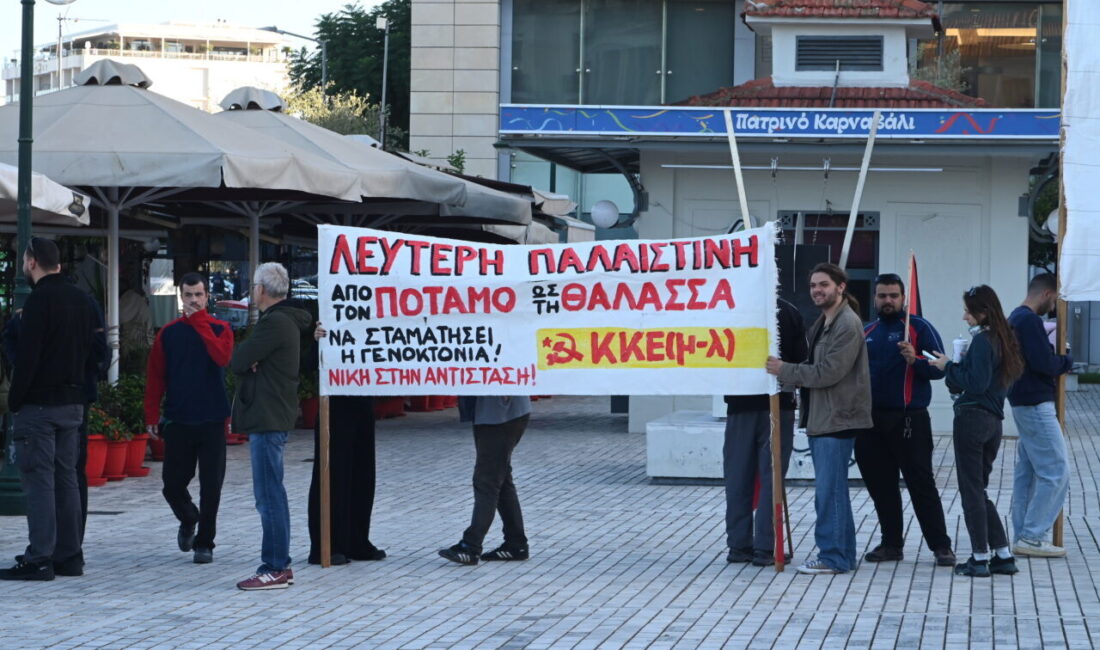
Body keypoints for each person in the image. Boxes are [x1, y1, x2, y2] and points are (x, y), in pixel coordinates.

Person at [1, 237, 96, 581]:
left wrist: (15, 400)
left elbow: (28, 358)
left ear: (31, 263)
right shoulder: (82, 299)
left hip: (39, 405)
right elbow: (95, 353)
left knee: (39, 481)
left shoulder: (38, 301)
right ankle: (69, 555)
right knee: (67, 479)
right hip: (73, 403)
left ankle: (39, 557)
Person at [767, 263, 872, 575]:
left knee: (830, 493)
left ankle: (835, 556)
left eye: (823, 285)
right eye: (813, 285)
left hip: (837, 419)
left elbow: (828, 372)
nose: (817, 290)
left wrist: (783, 370)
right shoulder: (826, 322)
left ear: (840, 287)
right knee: (832, 491)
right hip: (825, 418)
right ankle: (840, 554)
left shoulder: (846, 324)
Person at [857, 274, 955, 567]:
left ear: (904, 299)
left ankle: (941, 546)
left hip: (909, 420)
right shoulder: (866, 331)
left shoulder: (919, 328)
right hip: (870, 421)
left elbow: (941, 368)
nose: (888, 301)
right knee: (881, 486)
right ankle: (891, 544)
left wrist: (916, 360)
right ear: (874, 298)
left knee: (921, 484)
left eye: (893, 296)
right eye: (882, 296)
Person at [929, 285, 1025, 578]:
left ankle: (979, 558)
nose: (964, 317)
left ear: (983, 312)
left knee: (971, 492)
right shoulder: (1004, 339)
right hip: (993, 422)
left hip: (972, 419)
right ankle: (1003, 554)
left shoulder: (984, 341)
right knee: (978, 490)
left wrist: (947, 366)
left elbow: (976, 382)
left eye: (969, 312)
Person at [230, 262, 313, 590]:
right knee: (271, 491)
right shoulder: (283, 321)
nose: (253, 292)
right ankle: (279, 564)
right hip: (273, 413)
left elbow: (237, 360)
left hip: (267, 415)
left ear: (261, 290)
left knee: (269, 494)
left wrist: (250, 362)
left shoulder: (274, 323)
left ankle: (275, 566)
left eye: (253, 286)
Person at [144, 272, 234, 564]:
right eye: (188, 295)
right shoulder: (168, 333)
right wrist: (151, 414)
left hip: (212, 418)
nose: (194, 300)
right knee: (172, 483)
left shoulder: (221, 328)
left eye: (198, 295)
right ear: (180, 297)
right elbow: (156, 376)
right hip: (179, 418)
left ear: (207, 296)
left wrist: (199, 322)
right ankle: (188, 517)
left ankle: (205, 543)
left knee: (212, 486)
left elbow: (221, 357)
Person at [724, 297, 807, 567]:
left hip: (755, 404)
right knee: (767, 478)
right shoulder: (786, 310)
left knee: (742, 476)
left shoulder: (732, 308)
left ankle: (744, 546)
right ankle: (761, 546)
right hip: (767, 404)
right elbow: (800, 359)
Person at [306, 322, 385, 566]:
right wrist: (316, 341)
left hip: (362, 400)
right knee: (332, 474)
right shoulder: (328, 317)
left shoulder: (373, 318)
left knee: (362, 474)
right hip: (334, 405)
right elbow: (309, 365)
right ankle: (328, 544)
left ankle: (357, 540)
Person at [1008, 273, 1073, 558]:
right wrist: (1066, 360)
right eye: (1056, 298)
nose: (1055, 304)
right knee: (1057, 472)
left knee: (1029, 472)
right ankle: (1033, 536)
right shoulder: (1029, 321)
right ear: (1047, 293)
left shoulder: (1015, 318)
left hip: (1023, 401)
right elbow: (1044, 363)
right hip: (1035, 403)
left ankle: (1024, 533)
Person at [439, 396, 532, 565]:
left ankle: (471, 546)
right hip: (497, 413)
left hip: (500, 414)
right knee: (501, 479)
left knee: (487, 480)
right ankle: (515, 543)